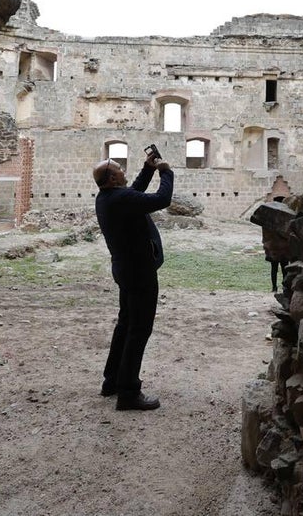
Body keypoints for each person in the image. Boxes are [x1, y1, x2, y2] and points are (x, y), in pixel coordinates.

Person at [92, 150, 173, 411]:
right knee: (139, 329)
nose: (124, 172)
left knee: (126, 325)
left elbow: (133, 191)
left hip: (125, 270)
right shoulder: (120, 198)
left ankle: (112, 381)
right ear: (114, 179)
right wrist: (166, 172)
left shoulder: (108, 198)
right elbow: (162, 199)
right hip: (139, 272)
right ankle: (128, 392)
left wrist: (147, 170)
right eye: (120, 169)